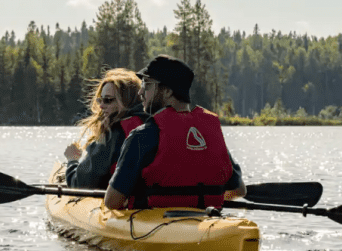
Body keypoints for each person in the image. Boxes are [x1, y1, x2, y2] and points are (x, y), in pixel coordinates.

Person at [103, 55, 246, 210]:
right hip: (207, 221)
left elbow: (112, 202)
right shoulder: (211, 134)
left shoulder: (141, 136)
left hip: (156, 226)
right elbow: (239, 190)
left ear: (167, 91)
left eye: (147, 84)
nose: (141, 92)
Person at [63, 68, 148, 189]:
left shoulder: (114, 133)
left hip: (125, 202)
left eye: (108, 100)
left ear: (126, 101)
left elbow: (80, 183)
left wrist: (72, 161)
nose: (101, 106)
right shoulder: (151, 122)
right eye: (100, 100)